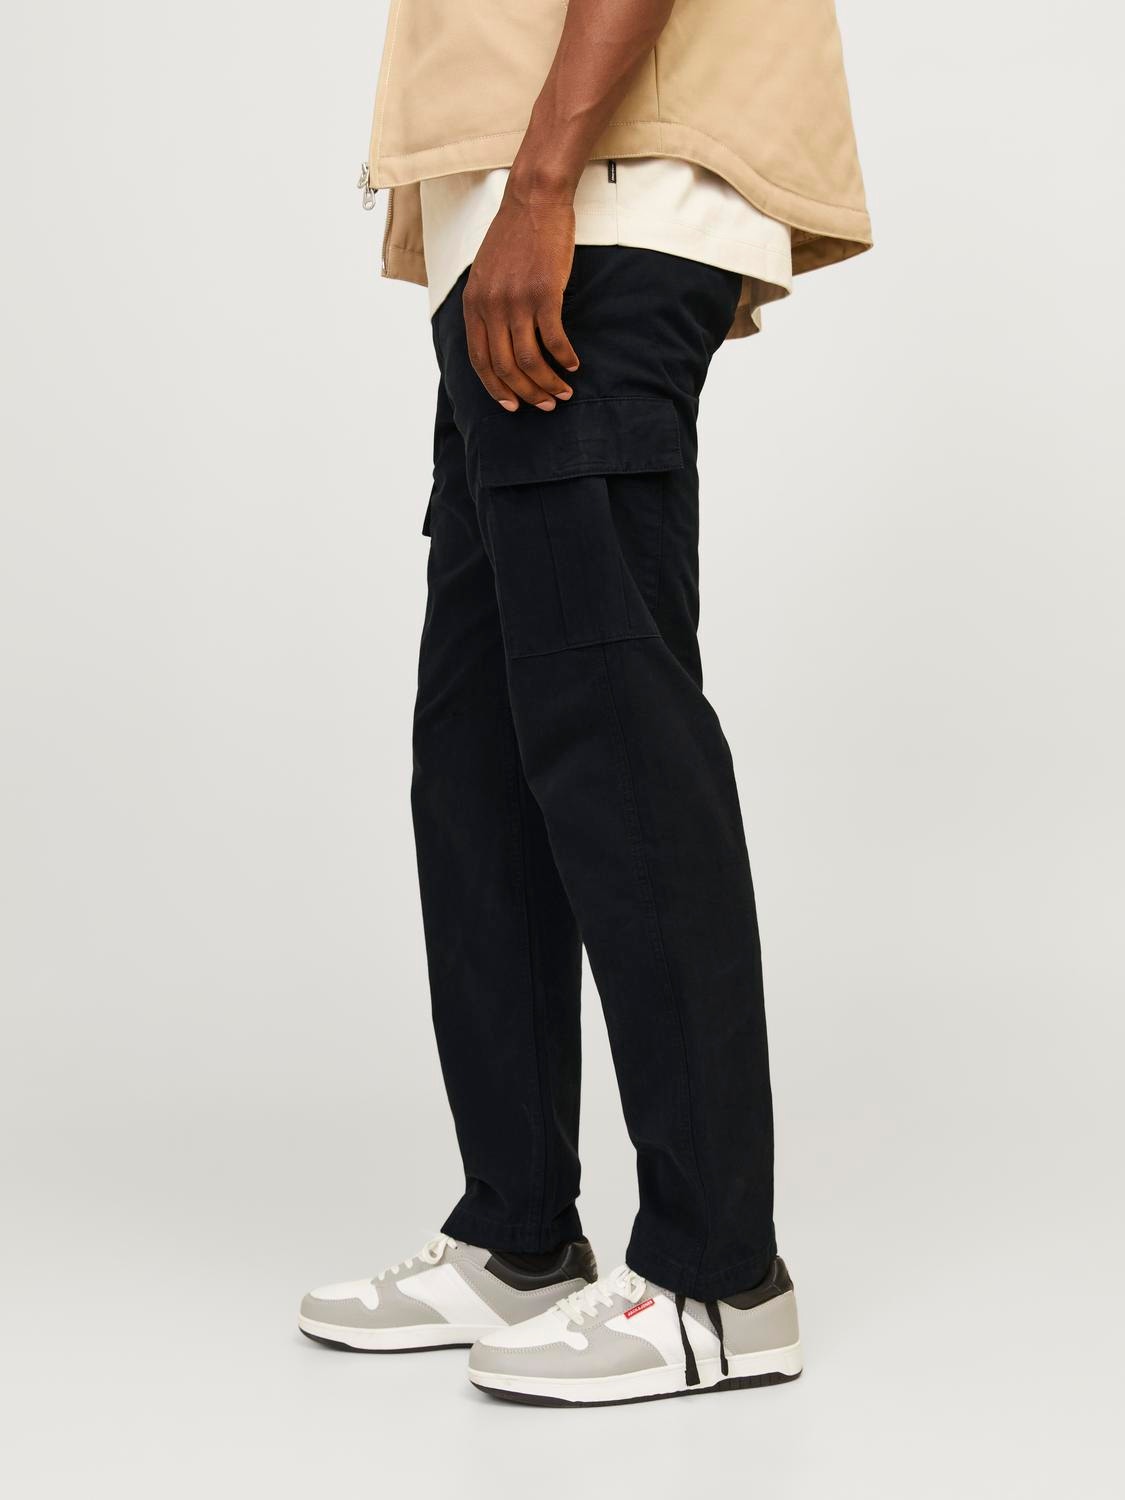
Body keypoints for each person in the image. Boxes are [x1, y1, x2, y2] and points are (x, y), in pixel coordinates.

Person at [299, 0, 870, 1407]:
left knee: (615, 743)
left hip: (590, 200)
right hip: (516, 218)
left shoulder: (563, 197)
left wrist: (545, 182)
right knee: (480, 754)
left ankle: (718, 1281)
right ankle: (517, 1234)